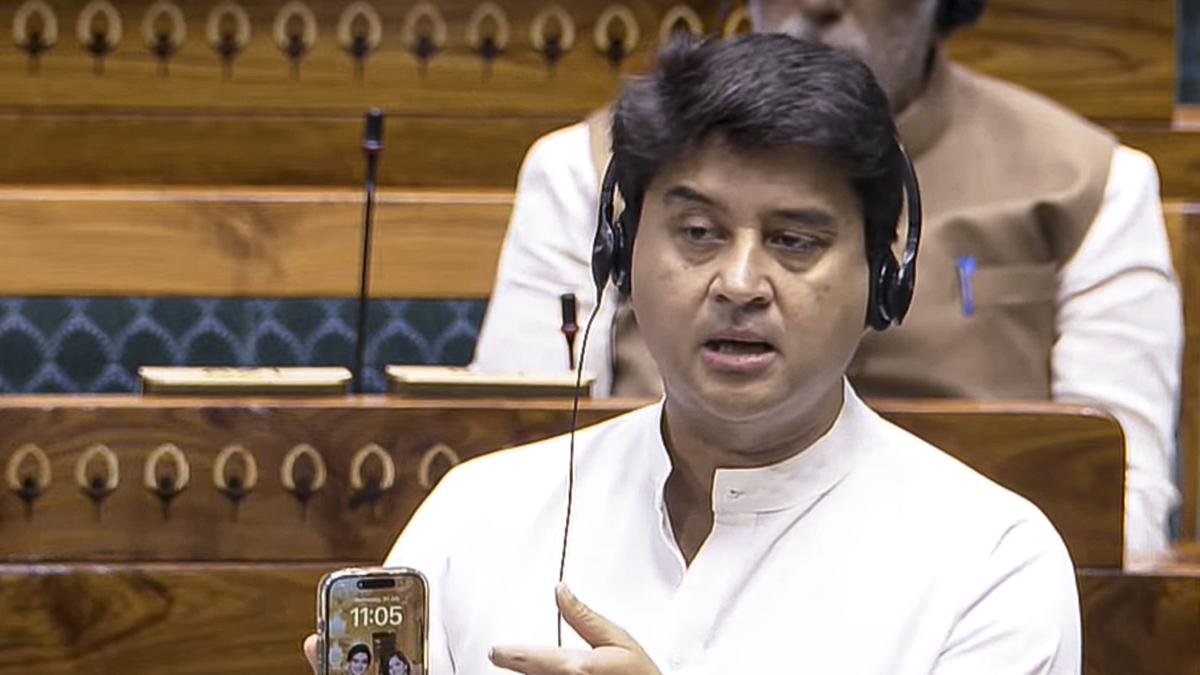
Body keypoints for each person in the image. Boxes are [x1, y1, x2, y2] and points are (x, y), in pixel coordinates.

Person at [310, 35, 1079, 673]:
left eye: (794, 241)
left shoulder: (989, 564)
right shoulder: (477, 517)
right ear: (622, 253)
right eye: (699, 233)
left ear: (882, 271)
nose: (740, 283)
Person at [471, 0, 1182, 559]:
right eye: (700, 233)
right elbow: (515, 467)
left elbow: (1125, 513)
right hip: (642, 571)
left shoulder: (1091, 182)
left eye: (794, 240)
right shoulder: (589, 166)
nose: (816, 4)